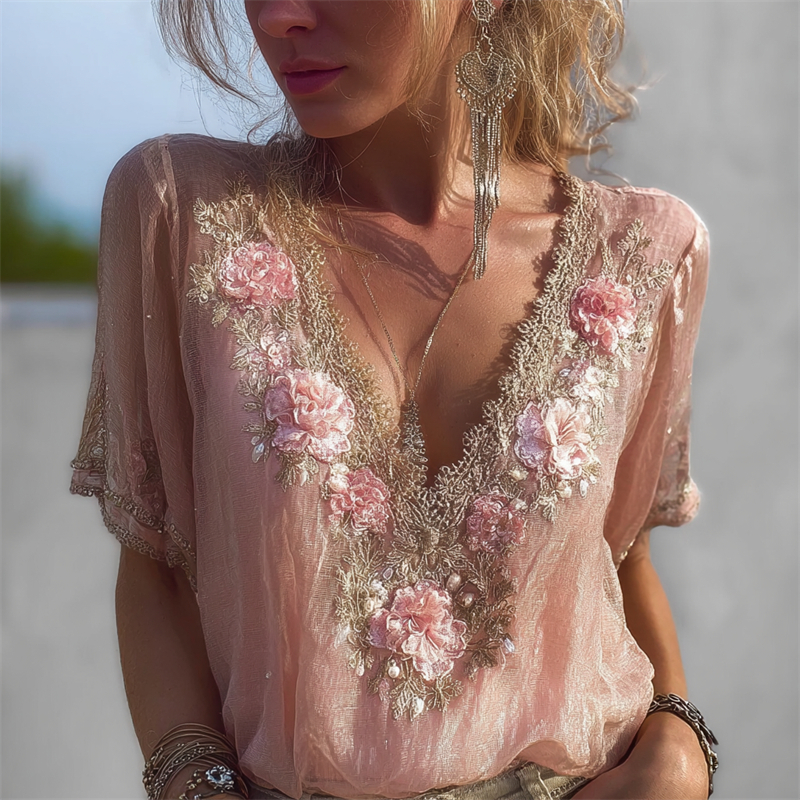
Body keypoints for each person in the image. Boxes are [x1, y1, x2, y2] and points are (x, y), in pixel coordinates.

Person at [69, 1, 717, 799]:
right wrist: (194, 784)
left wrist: (679, 751)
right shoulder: (184, 211)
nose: (278, 17)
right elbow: (157, 566)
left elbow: (619, 557)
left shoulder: (643, 254)